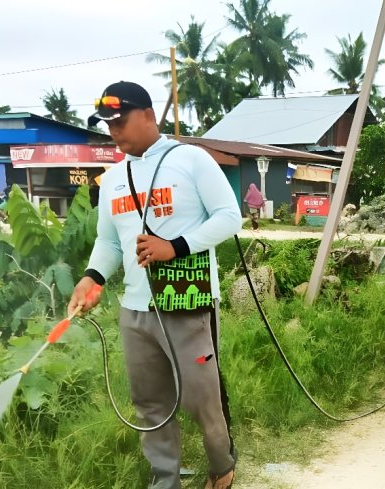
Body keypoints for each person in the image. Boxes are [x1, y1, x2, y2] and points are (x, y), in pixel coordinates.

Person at [68, 81, 242, 489]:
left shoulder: (191, 160)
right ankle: (165, 479)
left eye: (120, 121)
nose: (113, 131)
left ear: (148, 115)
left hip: (187, 302)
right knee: (149, 403)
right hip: (135, 310)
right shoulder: (113, 179)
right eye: (107, 125)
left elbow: (228, 217)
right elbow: (109, 241)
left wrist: (174, 247)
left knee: (201, 398)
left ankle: (222, 466)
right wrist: (92, 278)